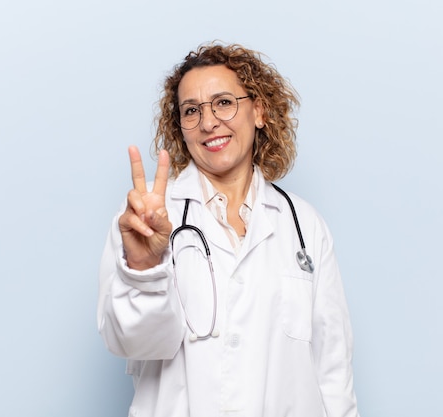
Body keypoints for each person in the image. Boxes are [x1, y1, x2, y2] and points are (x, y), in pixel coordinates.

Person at [97, 42, 360, 417]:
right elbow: (132, 342)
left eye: (223, 102)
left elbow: (333, 372)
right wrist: (144, 269)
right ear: (181, 128)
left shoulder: (304, 225)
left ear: (259, 111)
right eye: (191, 111)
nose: (208, 122)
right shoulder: (147, 220)